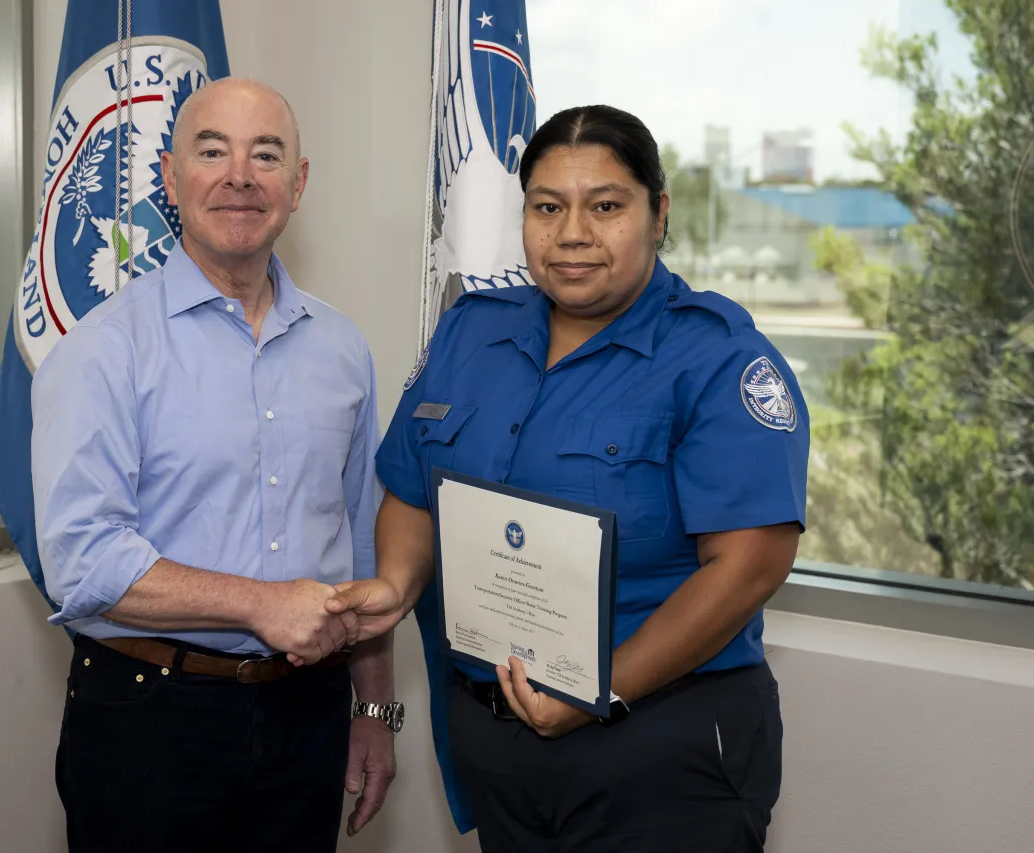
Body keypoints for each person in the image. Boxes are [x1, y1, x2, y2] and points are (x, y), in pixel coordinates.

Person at [328, 104, 808, 852]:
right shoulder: (471, 330)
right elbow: (414, 491)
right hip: (497, 737)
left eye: (606, 206)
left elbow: (751, 563)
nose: (573, 232)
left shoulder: (715, 356)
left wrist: (600, 689)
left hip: (657, 743)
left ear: (658, 212)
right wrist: (393, 586)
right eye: (547, 207)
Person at [31, 78, 401, 853]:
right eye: (212, 151)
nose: (240, 175)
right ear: (170, 178)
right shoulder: (103, 349)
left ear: (297, 185)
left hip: (311, 715)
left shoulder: (344, 349)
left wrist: (373, 714)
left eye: (266, 154)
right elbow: (82, 561)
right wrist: (259, 603)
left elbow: (362, 550)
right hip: (149, 720)